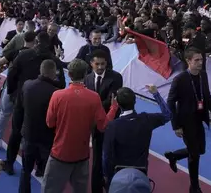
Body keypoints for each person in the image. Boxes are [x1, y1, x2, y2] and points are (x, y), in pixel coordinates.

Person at [42, 59, 118, 193]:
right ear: (85, 74)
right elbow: (103, 126)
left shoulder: (57, 95)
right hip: (81, 155)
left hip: (60, 153)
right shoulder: (94, 97)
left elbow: (49, 123)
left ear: (69, 74)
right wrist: (113, 108)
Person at [164, 48, 211, 193]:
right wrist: (176, 125)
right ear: (188, 61)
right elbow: (170, 103)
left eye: (201, 60)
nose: (200, 63)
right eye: (196, 60)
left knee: (200, 150)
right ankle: (194, 187)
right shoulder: (179, 80)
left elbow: (208, 97)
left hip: (199, 118)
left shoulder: (203, 75)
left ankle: (174, 155)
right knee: (194, 155)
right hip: (186, 122)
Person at [4, 32, 66, 175]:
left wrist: (13, 93)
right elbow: (61, 84)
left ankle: (10, 163)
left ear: (36, 41)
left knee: (17, 132)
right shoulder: (53, 60)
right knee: (42, 137)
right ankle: (40, 167)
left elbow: (11, 74)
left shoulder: (24, 56)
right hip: (44, 103)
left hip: (23, 98)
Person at [102, 86, 171, 185]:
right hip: (141, 172)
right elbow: (167, 115)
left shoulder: (112, 126)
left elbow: (106, 156)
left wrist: (107, 176)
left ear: (117, 103)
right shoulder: (147, 120)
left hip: (118, 175)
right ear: (135, 101)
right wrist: (156, 94)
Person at [18, 59, 65, 193]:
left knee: (25, 170)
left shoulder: (27, 85)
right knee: (48, 174)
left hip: (28, 134)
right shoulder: (56, 93)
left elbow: (21, 107)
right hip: (47, 138)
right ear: (53, 73)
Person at [84, 49, 123, 193]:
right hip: (94, 125)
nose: (100, 67)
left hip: (111, 124)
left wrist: (93, 106)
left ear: (106, 63)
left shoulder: (116, 77)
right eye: (97, 64)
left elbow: (111, 101)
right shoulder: (87, 78)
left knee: (111, 158)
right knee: (96, 159)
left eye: (103, 64)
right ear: (91, 64)